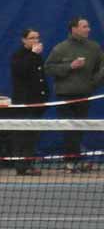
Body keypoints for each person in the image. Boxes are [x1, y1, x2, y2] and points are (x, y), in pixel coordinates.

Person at [45, 16, 101, 171]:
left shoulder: (94, 48)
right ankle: (71, 161)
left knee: (80, 128)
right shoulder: (60, 48)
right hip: (65, 96)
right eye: (84, 26)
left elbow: (100, 69)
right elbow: (48, 68)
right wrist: (70, 66)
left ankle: (75, 160)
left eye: (88, 26)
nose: (88, 29)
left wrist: (92, 84)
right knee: (69, 129)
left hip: (84, 95)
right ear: (74, 29)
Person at [8, 27, 48, 176]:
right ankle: (21, 166)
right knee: (22, 135)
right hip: (24, 102)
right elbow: (21, 71)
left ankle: (28, 164)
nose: (35, 40)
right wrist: (32, 54)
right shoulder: (18, 56)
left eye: (37, 38)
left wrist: (44, 96)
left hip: (37, 102)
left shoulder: (37, 56)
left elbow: (40, 77)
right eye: (32, 38)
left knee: (33, 135)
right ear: (24, 40)